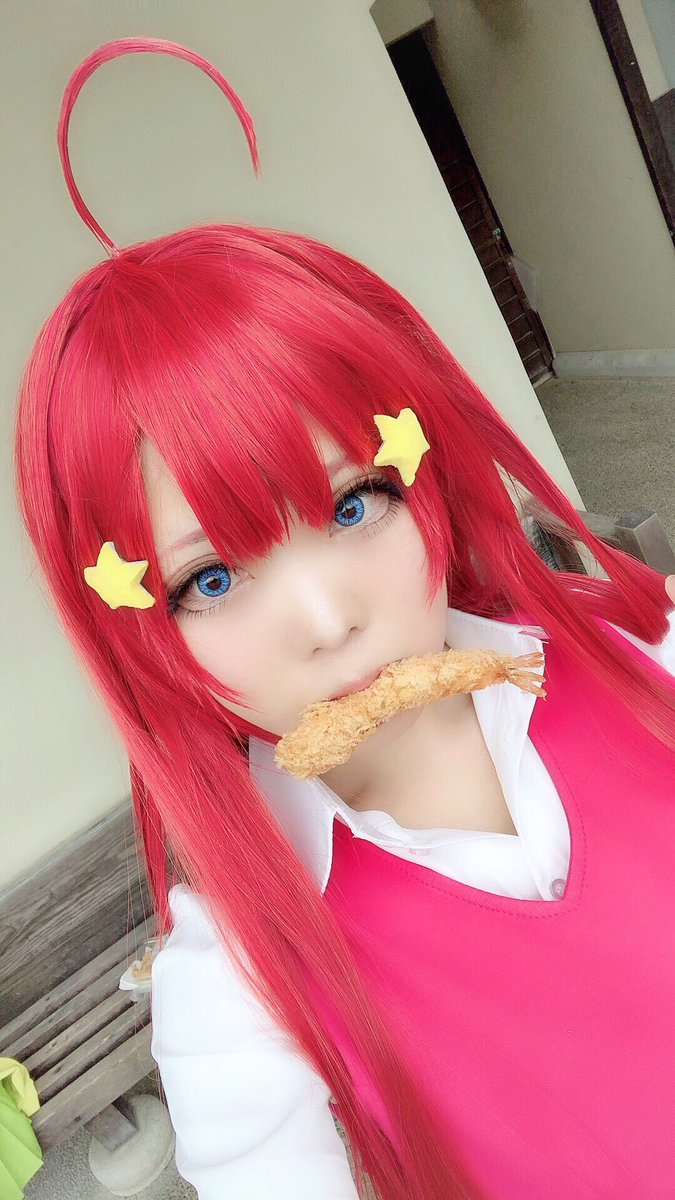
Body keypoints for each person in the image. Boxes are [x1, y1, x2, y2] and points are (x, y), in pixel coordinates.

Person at [13, 36, 675, 1200]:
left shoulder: (642, 646)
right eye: (210, 580)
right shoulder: (239, 984)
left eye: (356, 501)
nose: (326, 621)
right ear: (140, 631)